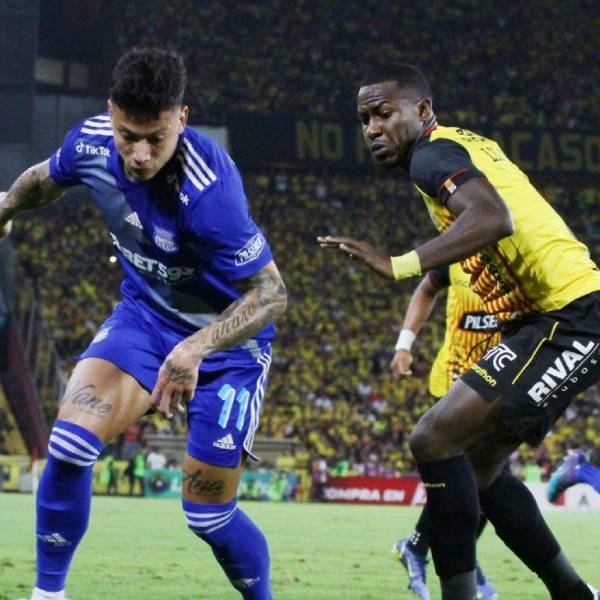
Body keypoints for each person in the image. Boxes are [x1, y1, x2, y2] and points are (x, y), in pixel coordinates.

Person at [1, 47, 286, 600]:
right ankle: (47, 594)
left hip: (228, 346)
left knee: (208, 516)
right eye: (128, 135)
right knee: (68, 445)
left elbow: (272, 295)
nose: (139, 154)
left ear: (181, 117)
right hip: (146, 319)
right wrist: (7, 207)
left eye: (156, 138)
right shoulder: (89, 142)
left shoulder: (210, 192)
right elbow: (45, 178)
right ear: (110, 112)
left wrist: (195, 349)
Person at [318, 63, 600, 599]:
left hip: (571, 316)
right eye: (364, 119)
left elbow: (494, 218)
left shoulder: (431, 156)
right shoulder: (458, 144)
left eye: (384, 114)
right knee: (481, 469)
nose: (373, 128)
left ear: (422, 110)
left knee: (433, 437)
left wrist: (398, 264)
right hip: (552, 317)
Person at [389, 265, 498, 599]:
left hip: (500, 380)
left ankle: (421, 548)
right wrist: (404, 345)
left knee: (482, 479)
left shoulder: (520, 259)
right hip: (456, 381)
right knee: (479, 477)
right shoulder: (457, 253)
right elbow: (427, 288)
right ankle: (437, 554)